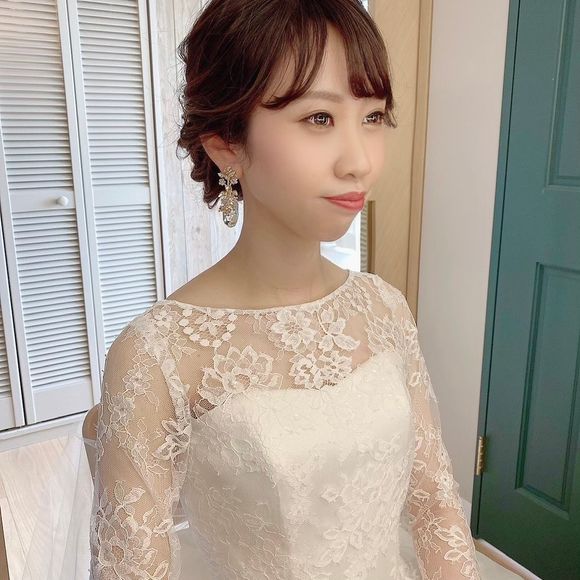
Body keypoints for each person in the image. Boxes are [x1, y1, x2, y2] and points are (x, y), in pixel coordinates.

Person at [88, 0, 483, 578]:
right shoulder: (158, 354)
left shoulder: (384, 306)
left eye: (373, 116)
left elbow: (434, 503)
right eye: (319, 118)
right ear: (226, 142)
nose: (360, 162)